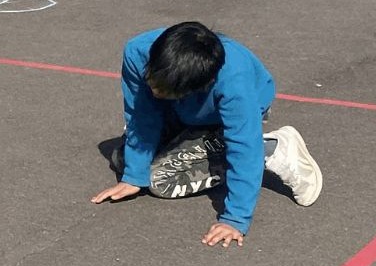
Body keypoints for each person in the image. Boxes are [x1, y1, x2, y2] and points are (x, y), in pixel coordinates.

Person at [91, 21, 323, 248]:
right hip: (180, 112)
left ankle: (271, 148)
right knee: (124, 158)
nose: (154, 92)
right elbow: (140, 113)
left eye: (165, 90)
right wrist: (134, 175)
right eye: (152, 81)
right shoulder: (138, 51)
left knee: (162, 181)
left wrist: (235, 219)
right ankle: (189, 138)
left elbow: (243, 146)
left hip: (229, 118)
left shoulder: (234, 82)